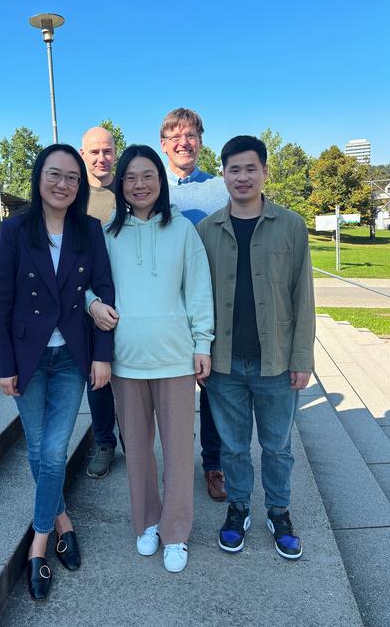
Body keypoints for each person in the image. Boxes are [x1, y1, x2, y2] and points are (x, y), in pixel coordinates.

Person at [0, 143, 114, 600]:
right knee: (41, 449)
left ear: (80, 185)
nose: (63, 184)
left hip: (70, 359)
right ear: (39, 178)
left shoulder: (90, 230)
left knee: (54, 449)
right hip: (27, 358)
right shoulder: (14, 231)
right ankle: (62, 519)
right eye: (54, 174)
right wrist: (5, 364)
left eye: (71, 177)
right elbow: (1, 302)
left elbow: (103, 290)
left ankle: (38, 544)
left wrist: (102, 355)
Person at [90, 144, 214, 573]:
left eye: (148, 176)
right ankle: (146, 523)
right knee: (138, 450)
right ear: (120, 184)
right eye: (131, 177)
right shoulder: (108, 234)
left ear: (160, 182)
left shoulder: (183, 231)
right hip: (126, 360)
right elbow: (87, 284)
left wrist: (203, 344)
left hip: (175, 358)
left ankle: (175, 532)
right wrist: (91, 304)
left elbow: (198, 291)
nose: (139, 184)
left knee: (180, 451)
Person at [196, 135, 315, 560]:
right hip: (224, 363)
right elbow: (197, 298)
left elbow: (303, 296)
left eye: (250, 168)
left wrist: (303, 358)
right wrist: (201, 351)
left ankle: (279, 512)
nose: (242, 176)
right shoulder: (206, 230)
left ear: (265, 171)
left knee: (278, 446)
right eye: (233, 169)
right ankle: (239, 507)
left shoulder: (291, 225)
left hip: (277, 362)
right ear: (223, 174)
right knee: (232, 446)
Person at [160, 107, 230, 503]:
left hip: (212, 304)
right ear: (164, 145)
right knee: (174, 396)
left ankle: (213, 464)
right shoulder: (151, 186)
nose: (183, 143)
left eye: (191, 136)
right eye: (175, 137)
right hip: (167, 307)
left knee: (213, 391)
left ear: (201, 141)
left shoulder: (221, 188)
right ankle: (175, 465)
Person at [79, 126, 121, 478]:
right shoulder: (73, 197)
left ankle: (137, 439)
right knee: (98, 376)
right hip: (91, 303)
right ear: (83, 155)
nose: (101, 158)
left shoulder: (130, 190)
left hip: (133, 298)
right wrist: (88, 300)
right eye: (93, 152)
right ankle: (105, 441)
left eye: (106, 151)